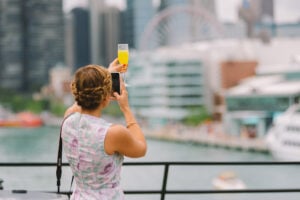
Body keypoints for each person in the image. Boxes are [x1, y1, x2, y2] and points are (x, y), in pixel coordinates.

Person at [61, 59, 147, 200]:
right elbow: (141, 148)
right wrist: (126, 108)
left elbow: (80, 102)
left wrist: (106, 76)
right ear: (105, 98)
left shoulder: (68, 120)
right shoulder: (112, 133)